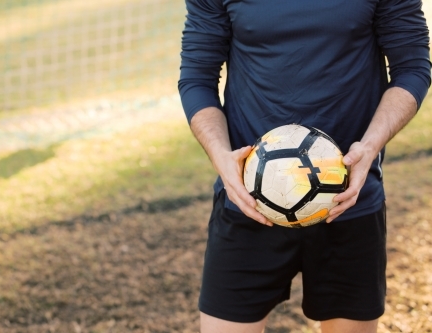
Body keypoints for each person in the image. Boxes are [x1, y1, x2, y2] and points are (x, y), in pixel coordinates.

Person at [178, 0, 431, 332]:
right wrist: (221, 156)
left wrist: (369, 147)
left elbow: (412, 67)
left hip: (347, 203)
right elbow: (197, 76)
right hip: (249, 201)